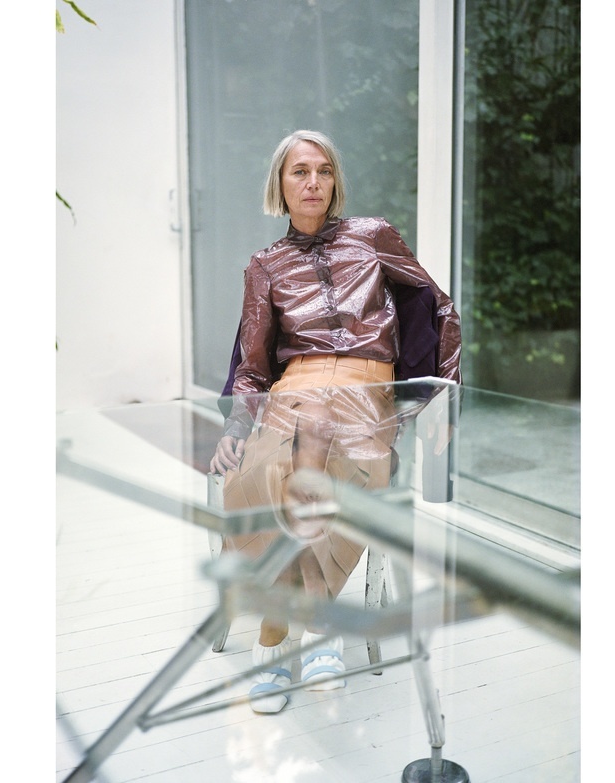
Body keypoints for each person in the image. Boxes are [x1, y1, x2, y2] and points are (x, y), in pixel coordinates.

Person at [209, 129, 461, 714]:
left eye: (323, 171)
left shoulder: (373, 237)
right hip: (296, 387)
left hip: (368, 386)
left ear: (335, 182)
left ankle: (274, 644)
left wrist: (440, 391)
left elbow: (438, 307)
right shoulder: (264, 266)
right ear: (280, 184)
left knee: (300, 441)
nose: (313, 182)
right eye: (299, 172)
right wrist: (233, 428)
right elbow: (250, 366)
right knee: (264, 468)